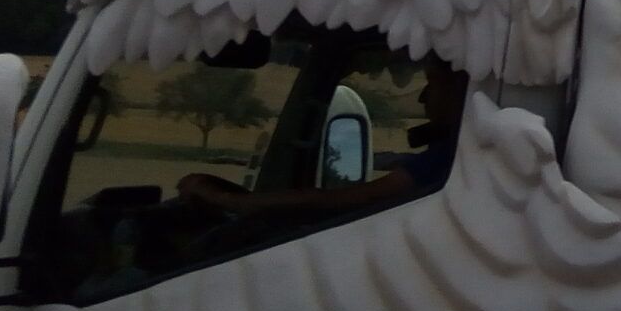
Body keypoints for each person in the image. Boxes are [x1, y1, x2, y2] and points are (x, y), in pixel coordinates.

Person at [178, 59, 467, 219]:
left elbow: (350, 199)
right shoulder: (454, 154)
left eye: (433, 84)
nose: (422, 98)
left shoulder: (448, 158)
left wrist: (229, 201)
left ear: (461, 94)